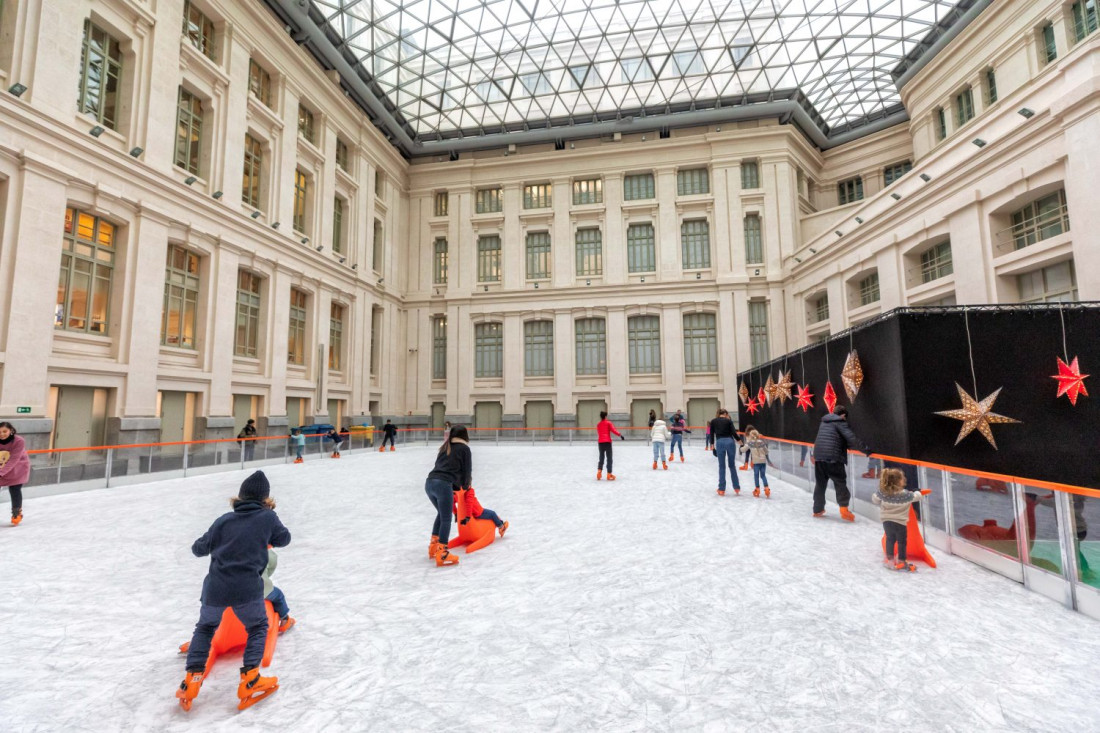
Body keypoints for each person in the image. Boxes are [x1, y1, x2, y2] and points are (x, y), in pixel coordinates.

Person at [176, 470, 290, 711]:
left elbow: (198, 549)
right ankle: (250, 679)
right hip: (246, 589)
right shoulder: (267, 518)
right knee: (258, 627)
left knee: (205, 628)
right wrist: (267, 524)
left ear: (240, 497)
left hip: (215, 589)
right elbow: (284, 539)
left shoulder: (223, 520)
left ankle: (192, 679)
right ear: (265, 499)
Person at [811, 405, 872, 521]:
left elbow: (835, 438)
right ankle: (844, 510)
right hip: (833, 458)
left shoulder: (824, 422)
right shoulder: (840, 422)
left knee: (820, 484)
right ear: (843, 415)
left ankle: (817, 509)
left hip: (819, 457)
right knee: (840, 483)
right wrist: (866, 450)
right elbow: (852, 438)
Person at [425, 425, 471, 566]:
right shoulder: (464, 449)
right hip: (443, 484)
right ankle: (443, 551)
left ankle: (434, 546)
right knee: (446, 518)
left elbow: (441, 465)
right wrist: (465, 486)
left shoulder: (445, 447)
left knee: (441, 513)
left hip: (429, 483)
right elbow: (466, 471)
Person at [872, 468, 931, 572]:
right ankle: (901, 561)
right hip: (900, 523)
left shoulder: (884, 493)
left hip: (887, 521)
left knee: (890, 539)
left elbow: (875, 499)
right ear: (898, 481)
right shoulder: (905, 494)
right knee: (902, 542)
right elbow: (917, 497)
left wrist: (880, 493)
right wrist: (918, 491)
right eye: (902, 478)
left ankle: (889, 560)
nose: (904, 479)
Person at [0, 422, 31, 526]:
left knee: (14, 489)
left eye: (5, 431)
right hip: (1, 465)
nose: (2, 434)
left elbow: (14, 460)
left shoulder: (18, 441)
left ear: (11, 431)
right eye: (0, 432)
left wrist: (1, 473)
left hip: (18, 467)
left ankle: (16, 512)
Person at [263, 547, 296, 633]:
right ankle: (284, 619)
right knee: (278, 595)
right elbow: (272, 563)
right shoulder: (262, 547)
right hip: (260, 590)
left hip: (232, 590)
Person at [710, 408, 740, 496]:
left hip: (720, 442)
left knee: (722, 466)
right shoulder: (728, 421)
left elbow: (711, 434)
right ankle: (736, 487)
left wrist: (712, 445)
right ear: (726, 414)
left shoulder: (713, 421)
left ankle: (721, 489)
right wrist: (739, 441)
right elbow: (734, 433)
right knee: (732, 465)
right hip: (730, 442)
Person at [741, 427, 771, 498]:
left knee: (756, 475)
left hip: (756, 463)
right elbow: (767, 451)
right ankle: (766, 488)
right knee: (763, 475)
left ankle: (757, 489)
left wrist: (740, 448)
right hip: (763, 462)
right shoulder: (762, 443)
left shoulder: (750, 443)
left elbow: (743, 450)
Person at [596, 411, 624, 480]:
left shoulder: (598, 424)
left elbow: (599, 433)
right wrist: (620, 435)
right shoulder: (608, 423)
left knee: (601, 458)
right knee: (609, 458)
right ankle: (609, 474)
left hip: (600, 443)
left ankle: (599, 472)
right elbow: (613, 430)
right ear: (605, 416)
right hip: (607, 442)